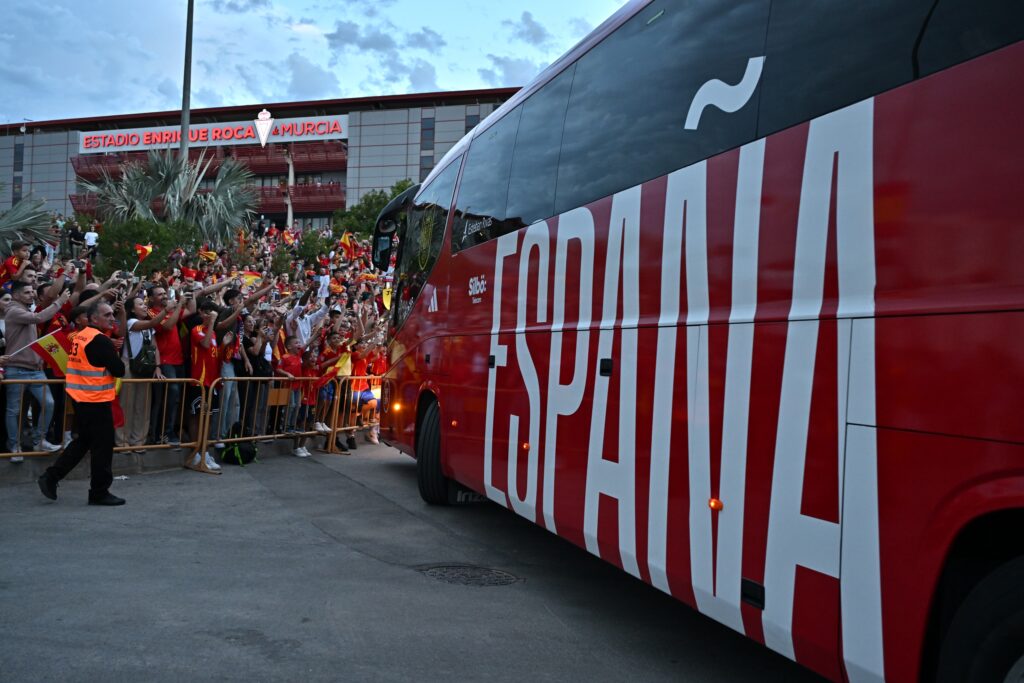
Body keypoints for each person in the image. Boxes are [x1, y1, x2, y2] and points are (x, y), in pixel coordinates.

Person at [37, 300, 126, 506]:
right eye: (107, 315)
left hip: (82, 399)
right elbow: (119, 370)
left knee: (83, 442)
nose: (112, 318)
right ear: (94, 318)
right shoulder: (100, 340)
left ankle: (51, 477)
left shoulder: (81, 336)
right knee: (102, 447)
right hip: (95, 400)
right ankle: (99, 492)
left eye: (113, 314)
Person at [5, 281, 71, 460]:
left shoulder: (26, 310)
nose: (32, 294)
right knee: (14, 410)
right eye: (27, 292)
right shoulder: (13, 311)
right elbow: (38, 318)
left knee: (49, 403)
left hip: (35, 369)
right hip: (16, 368)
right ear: (16, 295)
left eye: (32, 291)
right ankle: (14, 446)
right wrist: (60, 301)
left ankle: (38, 440)